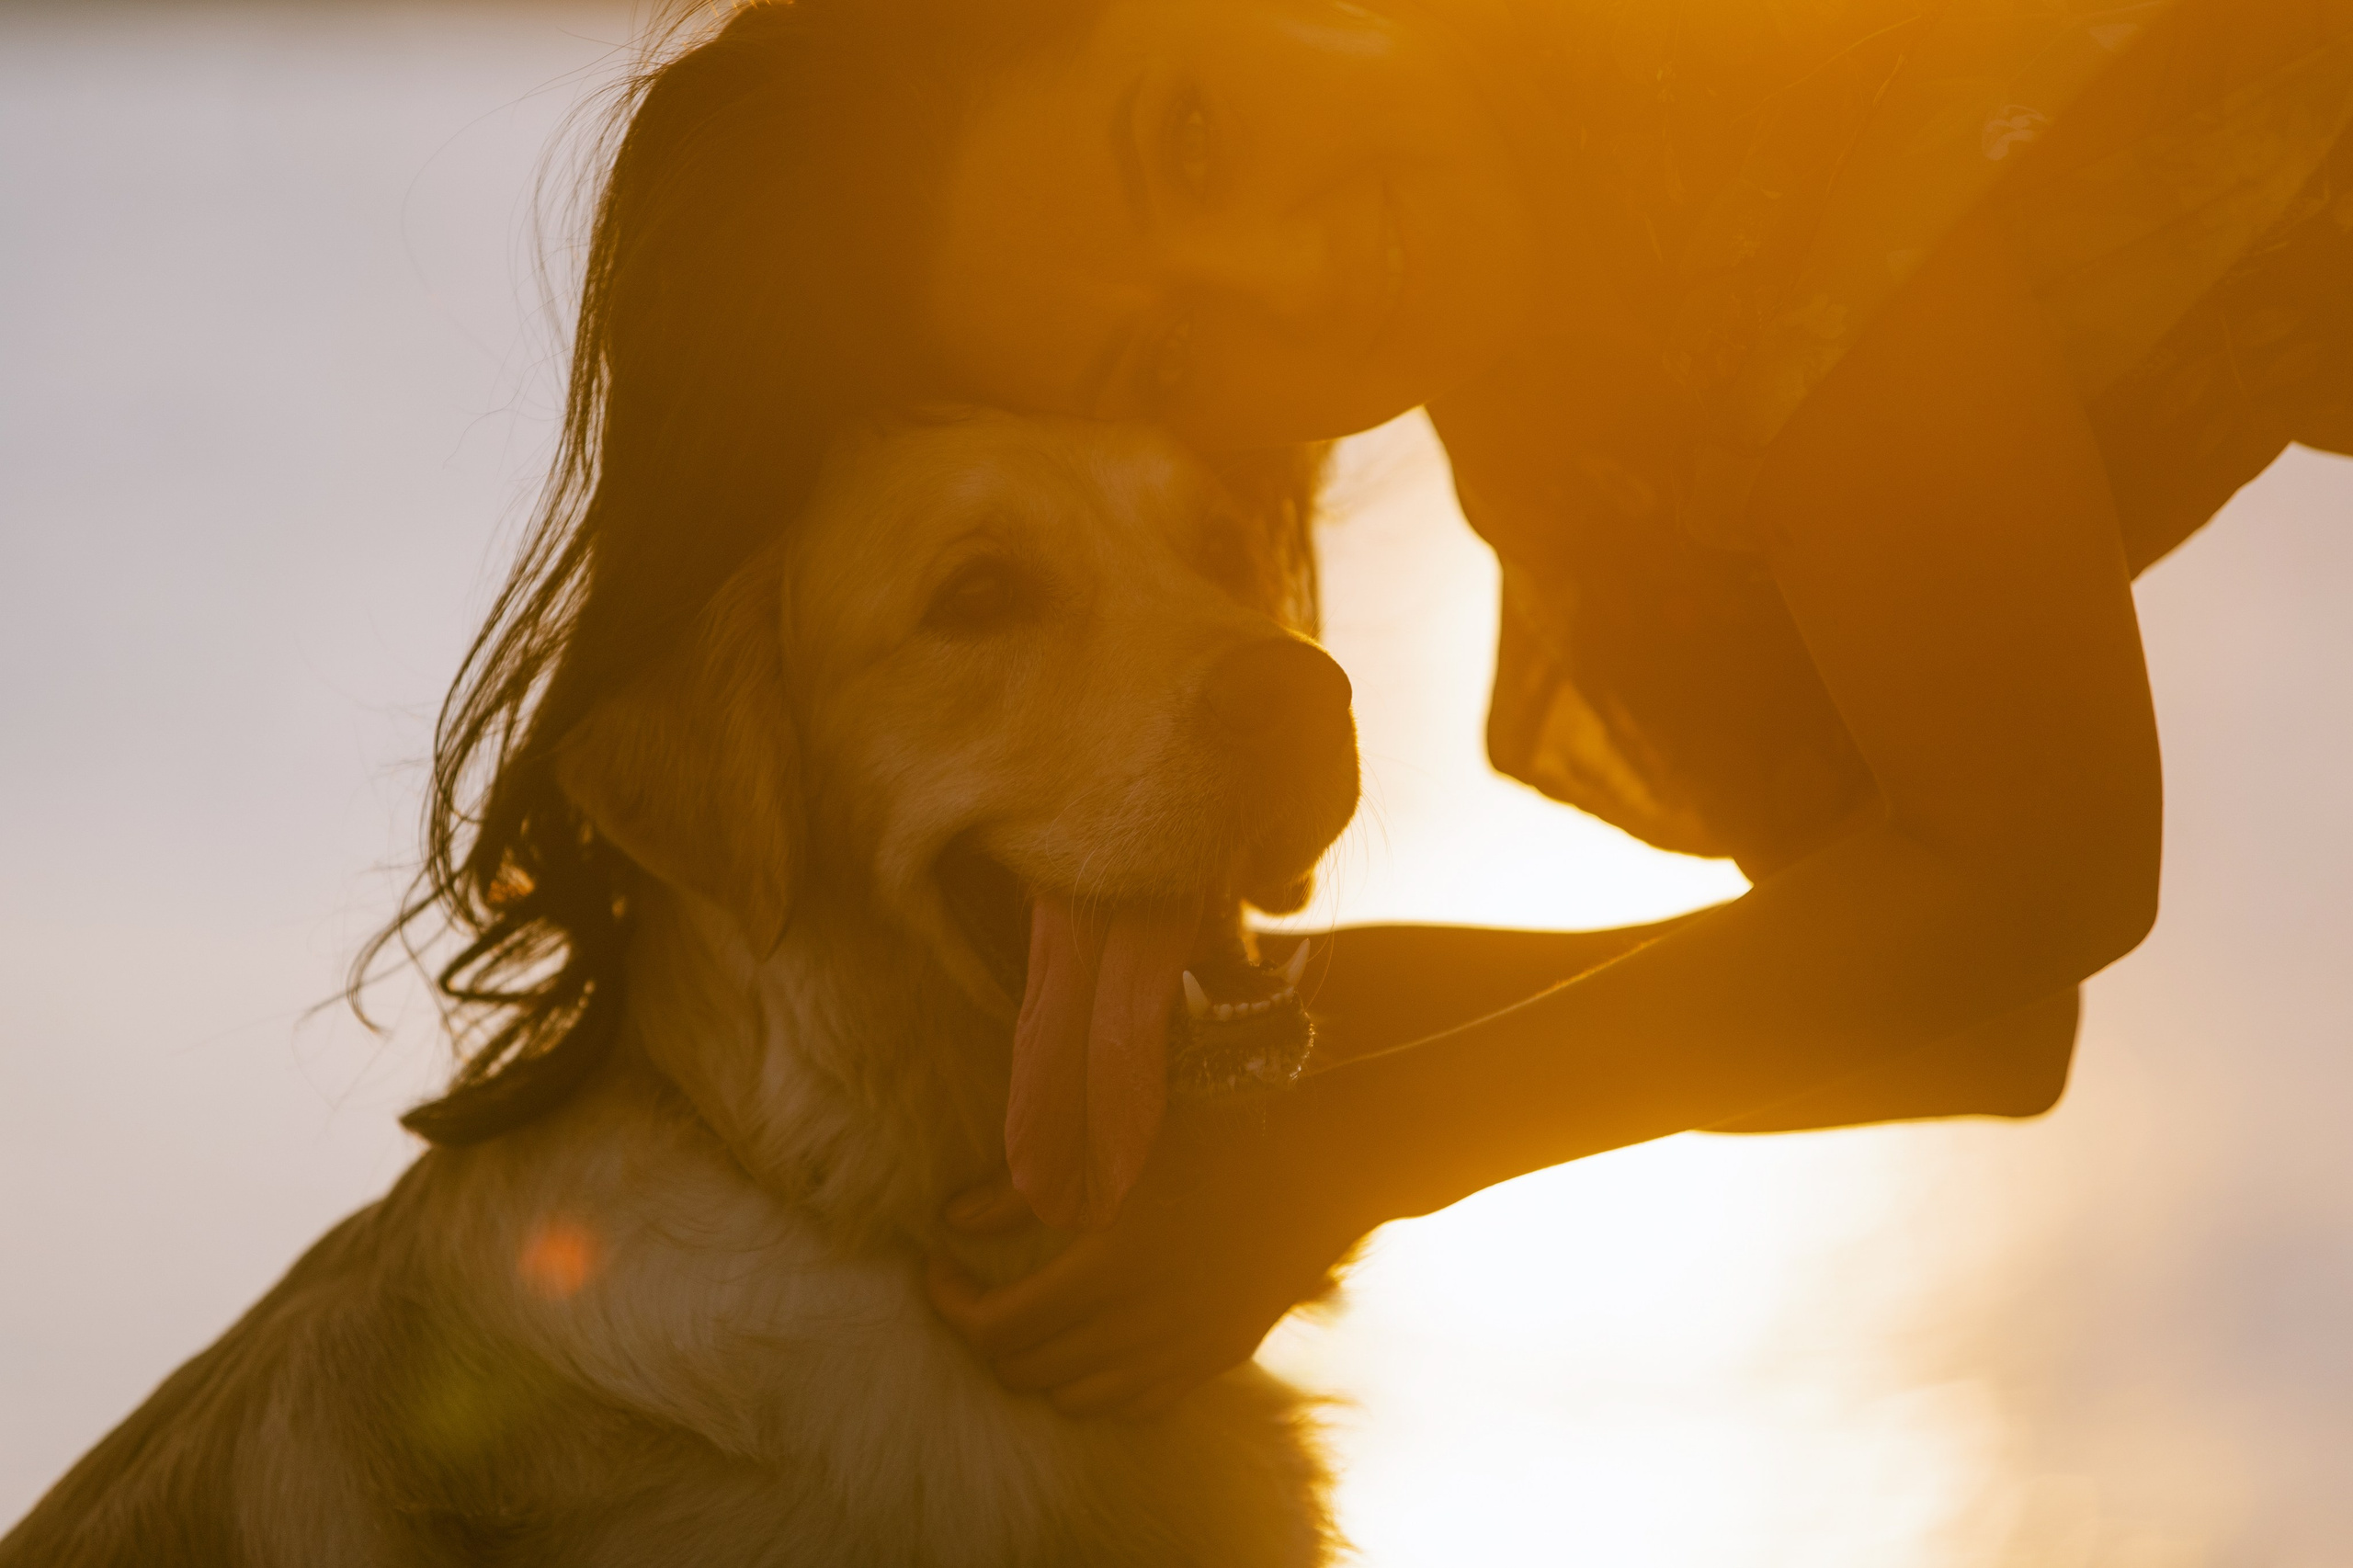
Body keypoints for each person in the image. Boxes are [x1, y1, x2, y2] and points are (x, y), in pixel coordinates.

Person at [377, 0, 2353, 1425]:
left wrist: (1358, 1149)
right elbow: (1986, 1025)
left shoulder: (1729, 94)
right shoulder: (1605, 499)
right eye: (1166, 352)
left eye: (1191, 135)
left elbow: (2044, 877)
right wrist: (1266, 1046)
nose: (1291, 273)